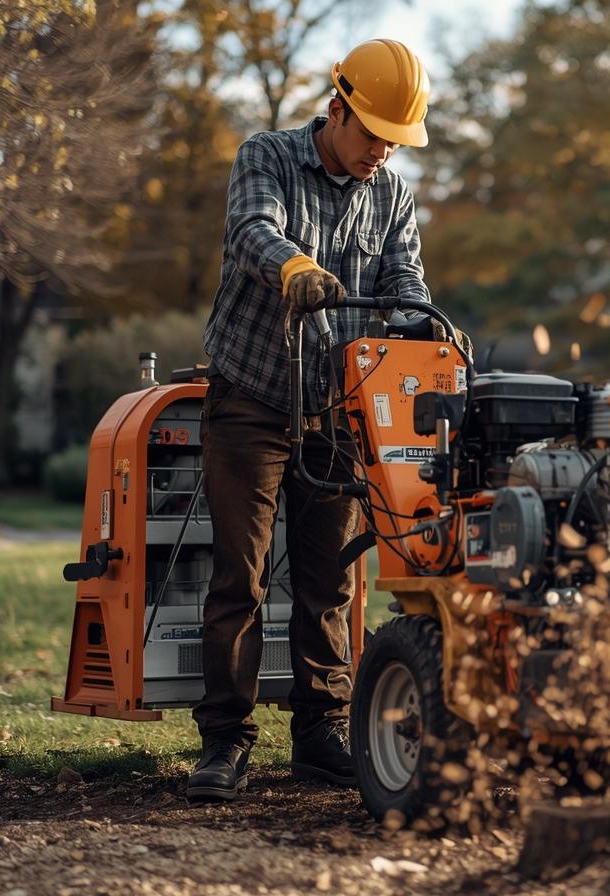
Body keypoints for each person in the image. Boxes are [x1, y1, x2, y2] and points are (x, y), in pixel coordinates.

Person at [187, 38, 434, 802]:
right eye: (370, 135)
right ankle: (225, 743)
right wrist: (293, 265)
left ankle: (319, 736)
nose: (379, 152)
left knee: (330, 583)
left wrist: (419, 319)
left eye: (394, 141)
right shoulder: (267, 156)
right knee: (243, 577)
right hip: (253, 395)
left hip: (335, 408)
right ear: (337, 108)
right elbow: (254, 230)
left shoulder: (391, 192)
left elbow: (403, 274)